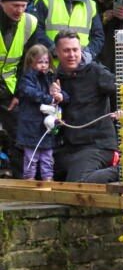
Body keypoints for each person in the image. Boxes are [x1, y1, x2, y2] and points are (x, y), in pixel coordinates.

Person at [52, 31, 119, 183]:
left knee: (78, 182)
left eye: (75, 50)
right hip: (70, 146)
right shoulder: (56, 78)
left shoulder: (96, 72)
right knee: (41, 171)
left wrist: (121, 111)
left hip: (98, 145)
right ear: (57, 52)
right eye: (66, 50)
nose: (72, 55)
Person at [0, 0, 40, 177]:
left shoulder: (30, 22)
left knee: (18, 133)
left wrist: (18, 92)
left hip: (10, 87)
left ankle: (18, 176)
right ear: (2, 3)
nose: (19, 10)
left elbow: (28, 60)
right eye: (14, 5)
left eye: (23, 6)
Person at [33, 0, 104, 64]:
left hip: (80, 68)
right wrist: (54, 49)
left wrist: (88, 54)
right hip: (49, 67)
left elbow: (98, 36)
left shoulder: (91, 5)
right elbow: (35, 29)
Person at [17, 44, 64, 180]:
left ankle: (48, 180)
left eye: (46, 62)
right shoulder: (27, 78)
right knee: (31, 157)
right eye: (40, 62)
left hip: (45, 127)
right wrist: (49, 98)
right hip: (30, 126)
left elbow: (61, 94)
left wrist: (60, 95)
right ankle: (29, 180)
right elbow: (30, 92)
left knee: (47, 157)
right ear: (31, 62)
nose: (44, 65)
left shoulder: (50, 78)